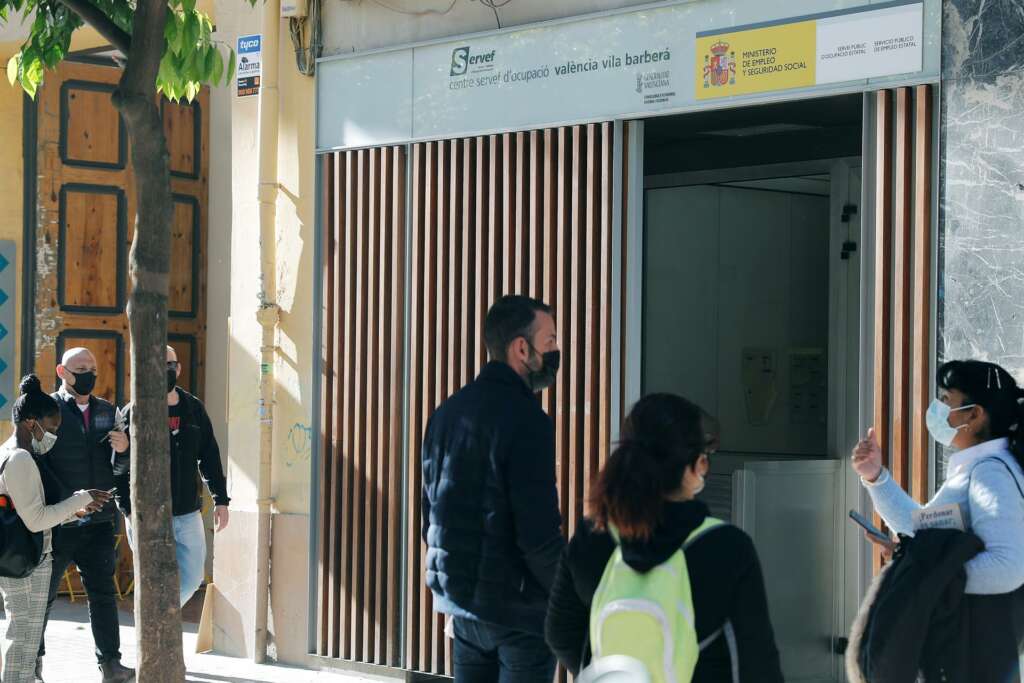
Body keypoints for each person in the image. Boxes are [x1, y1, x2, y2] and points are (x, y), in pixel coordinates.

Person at [545, 393, 785, 682]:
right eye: (704, 459)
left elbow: (559, 631)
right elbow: (757, 665)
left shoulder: (592, 535)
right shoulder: (727, 548)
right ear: (695, 466)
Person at [421, 295, 564, 682]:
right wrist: (569, 593)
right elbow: (538, 537)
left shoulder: (446, 415)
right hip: (519, 615)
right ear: (522, 348)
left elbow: (429, 517)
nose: (555, 351)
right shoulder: (528, 421)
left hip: (462, 609)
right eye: (549, 341)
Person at [852, 359, 1024, 680]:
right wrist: (875, 476)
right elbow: (922, 526)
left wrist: (927, 577)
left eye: (947, 400)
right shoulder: (977, 467)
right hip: (963, 649)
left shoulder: (990, 473)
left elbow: (1008, 565)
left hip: (974, 653)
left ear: (975, 415)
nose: (938, 408)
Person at [0, 375, 110, 683]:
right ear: (30, 423)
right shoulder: (20, 457)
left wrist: (75, 510)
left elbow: (32, 514)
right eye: (51, 429)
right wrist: (79, 499)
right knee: (22, 641)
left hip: (27, 559)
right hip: (25, 563)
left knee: (27, 642)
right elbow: (35, 520)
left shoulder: (15, 453)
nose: (53, 436)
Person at [37, 348, 134, 683]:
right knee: (43, 597)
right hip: (58, 522)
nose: (90, 374)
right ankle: (32, 664)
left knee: (103, 594)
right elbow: (37, 465)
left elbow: (120, 470)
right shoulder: (47, 411)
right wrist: (65, 503)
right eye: (81, 369)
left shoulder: (109, 411)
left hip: (99, 522)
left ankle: (111, 664)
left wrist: (124, 451)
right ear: (63, 372)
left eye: (93, 368)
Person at [111, 345, 230, 607]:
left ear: (178, 369)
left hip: (187, 513)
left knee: (192, 578)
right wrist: (129, 511)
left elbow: (209, 456)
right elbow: (118, 469)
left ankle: (163, 618)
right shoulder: (131, 412)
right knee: (152, 577)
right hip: (146, 515)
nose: (165, 370)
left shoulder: (194, 409)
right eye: (158, 365)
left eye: (170, 365)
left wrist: (221, 499)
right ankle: (157, 634)